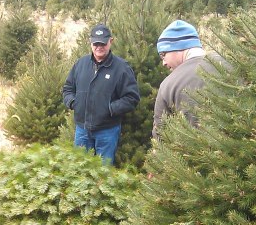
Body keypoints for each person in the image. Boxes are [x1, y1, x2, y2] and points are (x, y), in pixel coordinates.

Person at [63, 23, 140, 163]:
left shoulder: (122, 68)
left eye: (103, 43)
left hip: (107, 131)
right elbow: (68, 88)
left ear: (110, 41)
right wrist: (74, 103)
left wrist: (109, 109)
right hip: (82, 130)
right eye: (96, 43)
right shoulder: (81, 64)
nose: (99, 47)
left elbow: (132, 98)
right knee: (78, 169)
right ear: (90, 42)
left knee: (103, 173)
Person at [153, 19, 217, 137]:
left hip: (194, 152)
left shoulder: (169, 84)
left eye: (163, 55)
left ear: (176, 47)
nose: (164, 63)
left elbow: (161, 134)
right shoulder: (231, 63)